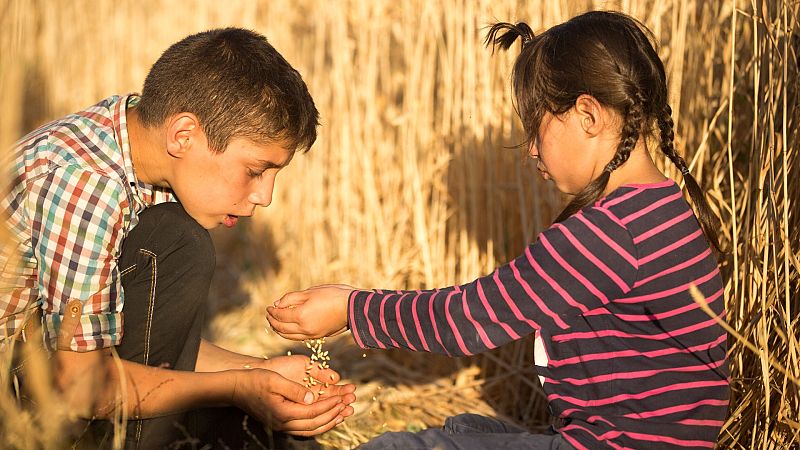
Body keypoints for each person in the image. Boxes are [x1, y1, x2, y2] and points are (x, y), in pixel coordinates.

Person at [266, 11, 729, 450]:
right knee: (466, 428)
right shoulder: (663, 209)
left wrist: (353, 308)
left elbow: (469, 319)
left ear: (589, 116)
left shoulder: (607, 232)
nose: (530, 149)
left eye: (538, 126)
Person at [1, 28, 355, 449]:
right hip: (20, 400)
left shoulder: (138, 146)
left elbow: (143, 340)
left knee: (259, 430)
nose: (264, 197)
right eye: (256, 170)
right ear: (183, 135)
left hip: (42, 366)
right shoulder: (87, 189)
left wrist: (260, 373)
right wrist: (237, 389)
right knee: (178, 243)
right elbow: (81, 386)